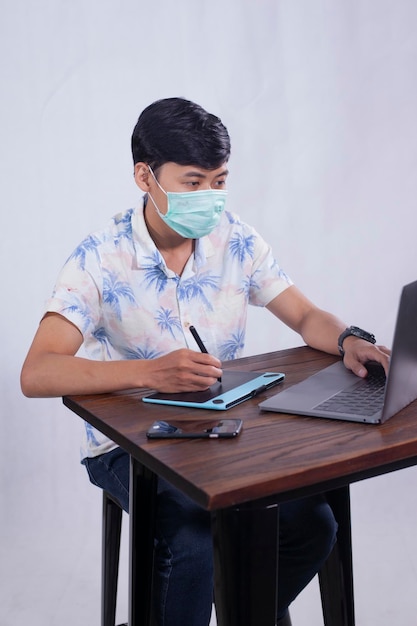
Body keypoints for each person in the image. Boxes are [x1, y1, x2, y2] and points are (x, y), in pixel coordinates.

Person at [21, 97, 390, 626]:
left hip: (223, 429)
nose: (210, 198)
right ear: (144, 176)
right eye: (193, 183)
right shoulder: (99, 258)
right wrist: (148, 371)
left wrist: (349, 338)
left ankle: (243, 610)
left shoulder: (233, 238)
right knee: (192, 539)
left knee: (313, 524)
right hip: (130, 446)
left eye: (219, 181)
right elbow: (38, 372)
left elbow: (305, 315)